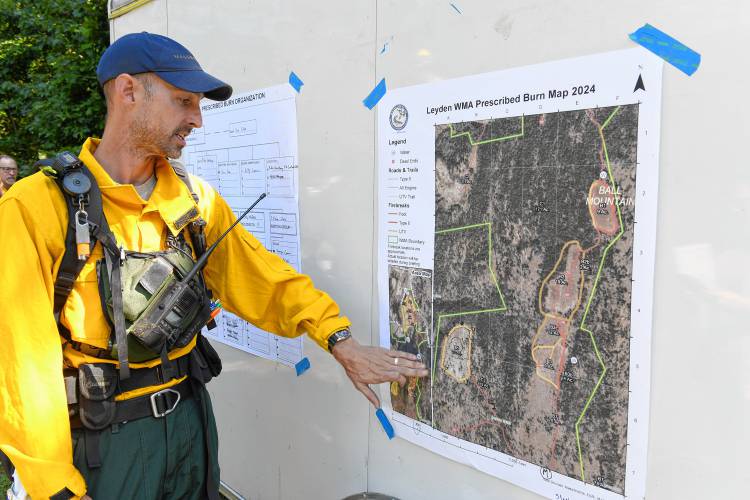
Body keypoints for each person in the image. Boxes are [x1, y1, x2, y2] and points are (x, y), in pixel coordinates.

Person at [0, 32, 427, 500]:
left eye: (198, 104)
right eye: (184, 101)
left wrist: (340, 340)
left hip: (191, 427)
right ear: (127, 92)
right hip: (103, 447)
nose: (197, 120)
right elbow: (19, 364)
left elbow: (264, 278)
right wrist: (52, 486)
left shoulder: (193, 200)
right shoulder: (37, 207)